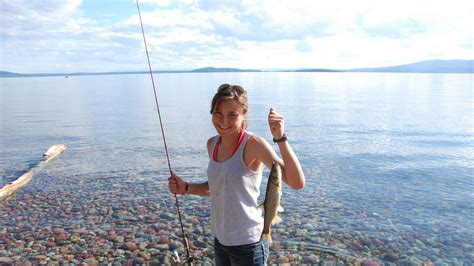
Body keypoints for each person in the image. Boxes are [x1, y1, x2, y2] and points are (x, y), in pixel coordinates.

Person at [168, 83, 305, 265]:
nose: (224, 121)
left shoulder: (253, 145)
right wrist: (185, 187)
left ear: (243, 116)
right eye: (218, 113)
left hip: (248, 243)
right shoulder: (212, 144)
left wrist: (280, 138)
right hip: (220, 240)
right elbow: (219, 186)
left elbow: (296, 182)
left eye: (232, 115)